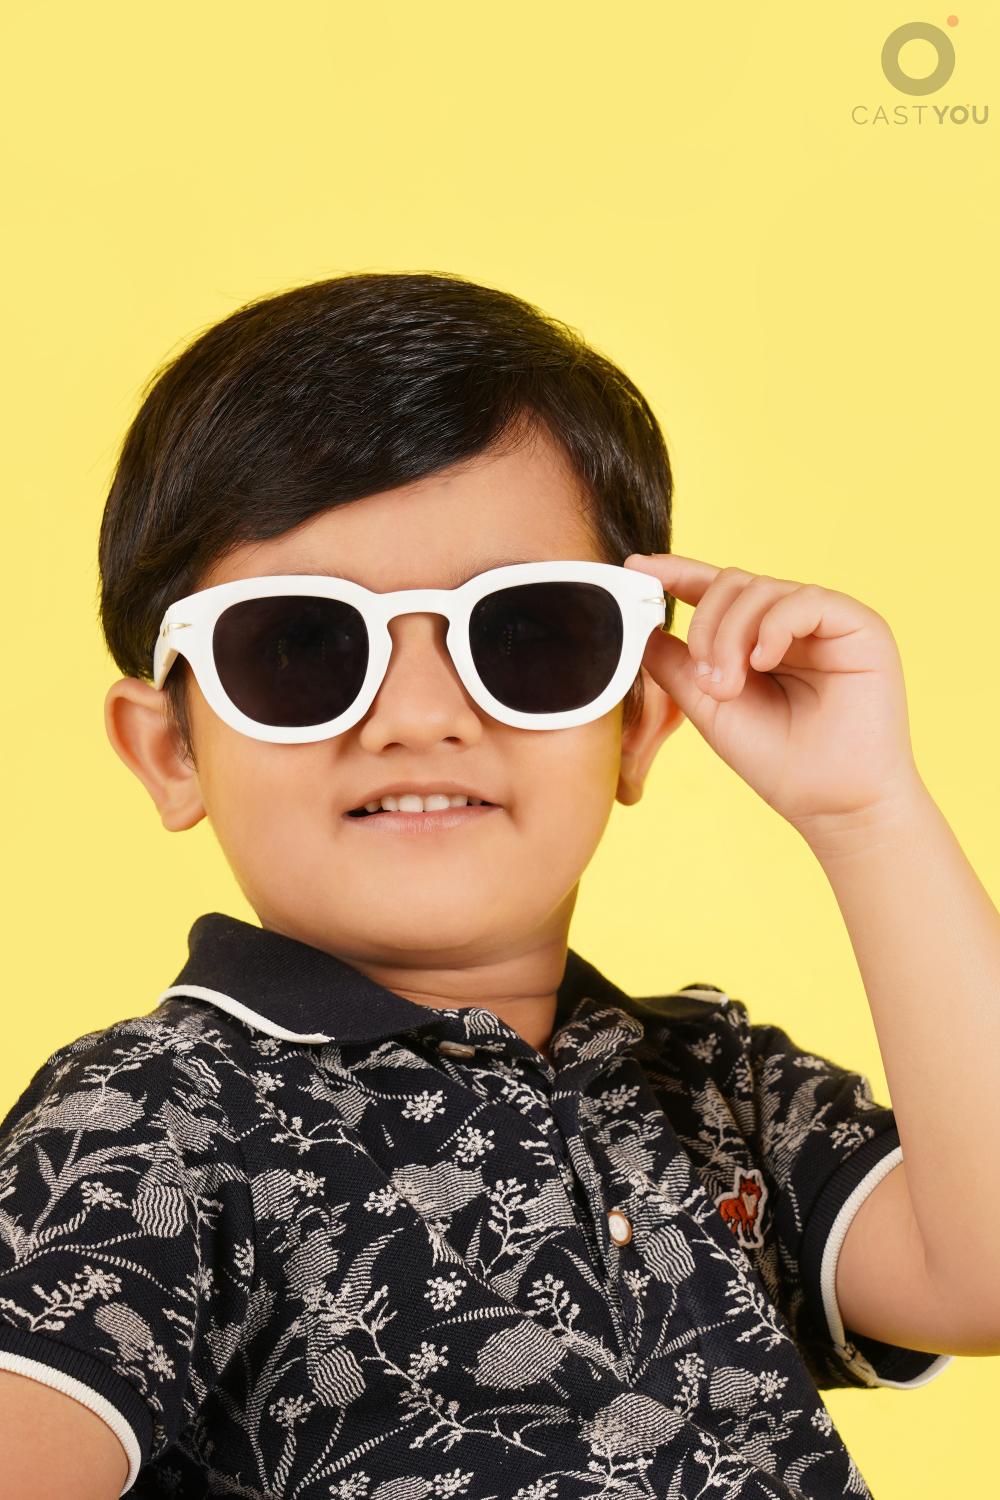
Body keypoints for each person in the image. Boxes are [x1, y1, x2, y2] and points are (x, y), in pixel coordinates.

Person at [1, 270, 993, 1500]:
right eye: (302, 644)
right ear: (169, 751)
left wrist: (868, 814)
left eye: (524, 633)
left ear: (637, 720)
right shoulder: (148, 1120)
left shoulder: (716, 1092)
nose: (420, 715)